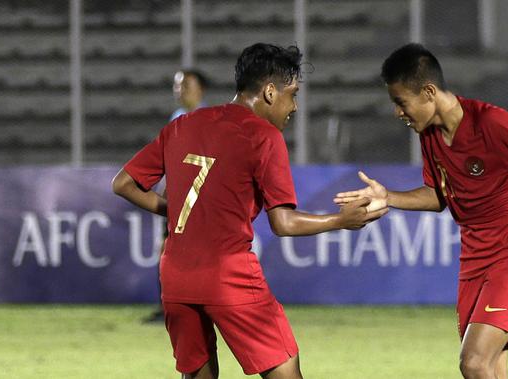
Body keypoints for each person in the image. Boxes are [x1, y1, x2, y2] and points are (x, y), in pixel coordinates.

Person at [113, 43, 387, 379]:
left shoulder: (183, 125)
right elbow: (283, 222)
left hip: (175, 274)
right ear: (270, 92)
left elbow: (123, 183)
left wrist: (178, 212)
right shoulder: (263, 136)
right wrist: (340, 220)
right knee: (285, 372)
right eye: (292, 94)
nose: (295, 106)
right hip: (228, 274)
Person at [334, 43, 508, 379]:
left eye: (400, 102)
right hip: (474, 261)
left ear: (428, 92)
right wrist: (389, 196)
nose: (398, 112)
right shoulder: (429, 136)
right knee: (491, 368)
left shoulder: (491, 123)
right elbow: (439, 197)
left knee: (473, 362)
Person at [144, 68, 212, 324]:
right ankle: (169, 309)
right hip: (176, 195)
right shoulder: (177, 116)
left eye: (185, 85)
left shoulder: (207, 119)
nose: (179, 90)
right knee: (167, 250)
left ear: (200, 89)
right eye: (177, 85)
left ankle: (193, 309)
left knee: (186, 253)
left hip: (195, 197)